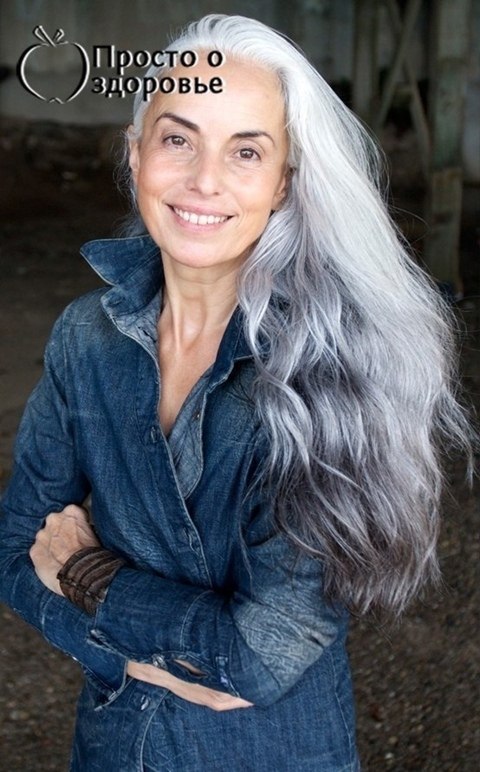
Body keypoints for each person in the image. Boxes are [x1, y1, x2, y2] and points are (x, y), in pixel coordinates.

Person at [0, 14, 472, 772]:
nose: (204, 181)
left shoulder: (325, 369)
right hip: (114, 743)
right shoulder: (86, 336)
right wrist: (155, 662)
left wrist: (87, 576)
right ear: (135, 152)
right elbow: (15, 550)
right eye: (177, 139)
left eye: (246, 151)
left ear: (285, 182)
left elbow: (260, 658)